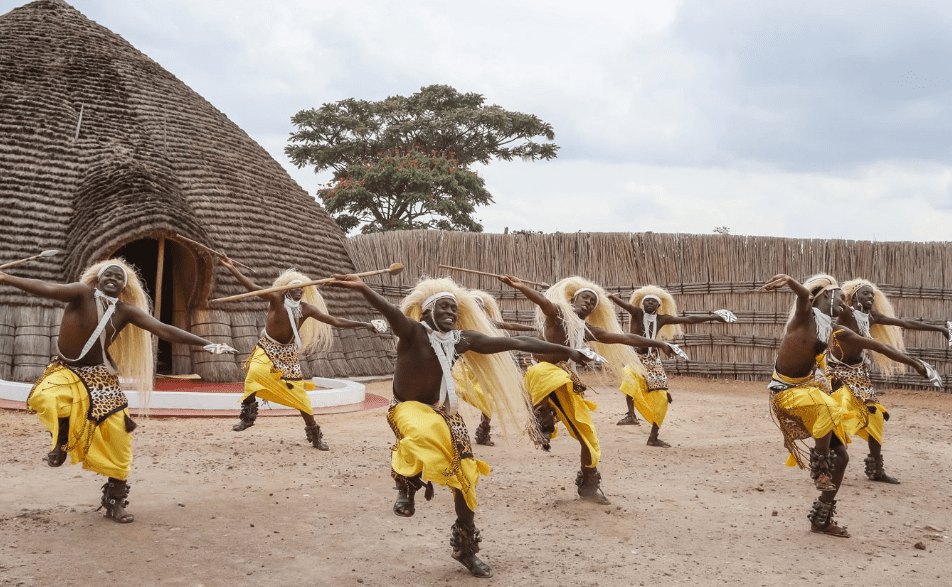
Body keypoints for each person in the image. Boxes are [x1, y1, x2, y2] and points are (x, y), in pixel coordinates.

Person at [327, 275, 590, 578]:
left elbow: (517, 342)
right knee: (426, 433)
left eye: (454, 309)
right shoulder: (412, 332)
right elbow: (390, 312)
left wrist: (570, 351)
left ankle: (465, 548)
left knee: (467, 476)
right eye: (444, 307)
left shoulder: (462, 340)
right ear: (426, 312)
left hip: (445, 413)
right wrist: (361, 288)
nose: (451, 313)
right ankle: (406, 482)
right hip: (407, 409)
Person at [0, 259, 235, 523]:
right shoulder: (80, 292)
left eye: (118, 277)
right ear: (97, 278)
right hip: (65, 370)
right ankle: (62, 441)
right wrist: (7, 279)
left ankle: (115, 500)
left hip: (101, 377)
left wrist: (206, 344)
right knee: (48, 397)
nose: (112, 279)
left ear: (125, 286)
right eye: (108, 274)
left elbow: (162, 329)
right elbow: (48, 288)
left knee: (119, 435)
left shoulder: (125, 311)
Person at [762, 273, 934, 538]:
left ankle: (822, 516)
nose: (844, 304)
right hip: (787, 393)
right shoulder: (803, 317)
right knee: (829, 406)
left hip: (809, 392)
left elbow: (877, 344)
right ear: (826, 296)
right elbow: (803, 295)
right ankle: (820, 470)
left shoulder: (833, 329)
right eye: (840, 298)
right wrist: (788, 280)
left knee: (841, 456)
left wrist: (916, 364)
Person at [500, 275, 673, 505]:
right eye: (585, 298)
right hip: (541, 375)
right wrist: (522, 287)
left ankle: (589, 484)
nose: (589, 303)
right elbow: (544, 303)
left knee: (589, 437)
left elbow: (625, 338)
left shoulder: (588, 329)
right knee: (551, 374)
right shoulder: (558, 315)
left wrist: (658, 343)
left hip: (567, 383)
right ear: (573, 299)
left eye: (593, 302)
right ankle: (541, 413)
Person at [221, 258, 379, 450]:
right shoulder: (275, 299)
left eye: (302, 290)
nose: (299, 292)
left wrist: (365, 324)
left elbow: (334, 320)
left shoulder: (305, 309)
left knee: (300, 396)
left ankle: (314, 434)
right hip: (267, 347)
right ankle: (248, 418)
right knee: (254, 375)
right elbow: (252, 286)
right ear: (287, 290)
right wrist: (232, 268)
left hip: (288, 354)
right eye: (296, 289)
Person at [831, 278, 948, 483]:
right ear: (854, 296)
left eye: (872, 294)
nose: (870, 297)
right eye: (865, 293)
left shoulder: (872, 317)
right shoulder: (845, 312)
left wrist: (940, 329)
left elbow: (905, 323)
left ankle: (876, 469)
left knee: (875, 417)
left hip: (859, 375)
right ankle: (826, 466)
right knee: (835, 414)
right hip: (836, 373)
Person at [609, 286, 734, 447]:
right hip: (635, 358)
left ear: (658, 306)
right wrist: (611, 297)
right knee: (628, 378)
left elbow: (688, 319)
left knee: (662, 399)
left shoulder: (662, 319)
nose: (649, 303)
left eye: (653, 301)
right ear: (642, 303)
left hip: (653, 360)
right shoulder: (637, 313)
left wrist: (714, 317)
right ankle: (631, 415)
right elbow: (623, 305)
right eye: (646, 301)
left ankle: (653, 438)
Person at [462, 289, 538, 446]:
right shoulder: (459, 324)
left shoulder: (487, 323)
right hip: (463, 367)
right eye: (473, 305)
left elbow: (509, 324)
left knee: (489, 400)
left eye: (480, 306)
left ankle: (483, 431)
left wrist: (534, 329)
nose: (477, 308)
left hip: (483, 368)